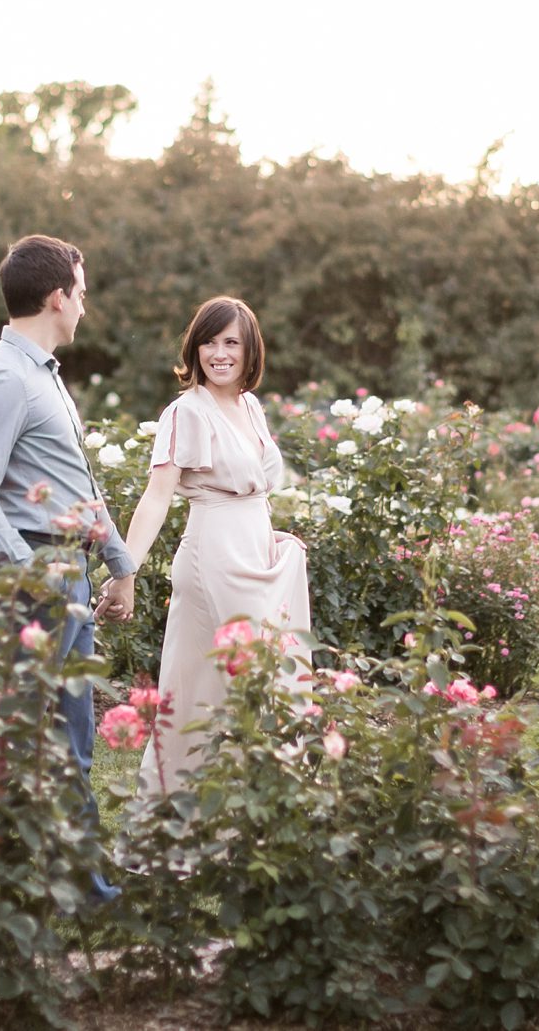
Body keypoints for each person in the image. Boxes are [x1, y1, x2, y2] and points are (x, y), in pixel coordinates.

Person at [0, 234, 137, 905]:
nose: (84, 308)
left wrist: (119, 562)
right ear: (58, 298)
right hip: (28, 581)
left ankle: (82, 889)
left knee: (70, 741)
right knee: (16, 747)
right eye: (80, 294)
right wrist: (32, 572)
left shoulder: (42, 375)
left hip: (65, 578)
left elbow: (71, 481)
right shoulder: (4, 377)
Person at [120, 295, 313, 791]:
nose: (219, 353)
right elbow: (157, 496)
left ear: (251, 351)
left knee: (260, 683)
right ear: (194, 348)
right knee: (216, 693)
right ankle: (182, 826)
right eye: (209, 341)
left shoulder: (248, 405)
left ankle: (257, 820)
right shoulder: (188, 412)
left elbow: (253, 489)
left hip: (255, 553)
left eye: (231, 342)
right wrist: (126, 569)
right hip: (214, 559)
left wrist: (268, 534)